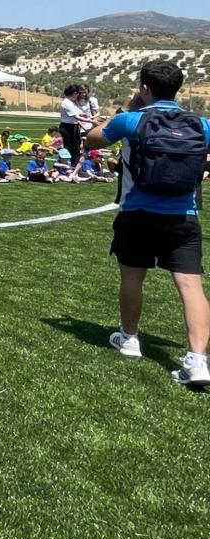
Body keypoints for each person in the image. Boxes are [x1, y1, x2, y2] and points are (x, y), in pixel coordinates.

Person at [86, 59, 210, 387]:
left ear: (144, 88)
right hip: (184, 215)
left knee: (133, 277)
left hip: (138, 213)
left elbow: (92, 139)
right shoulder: (201, 123)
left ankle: (129, 338)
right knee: (191, 287)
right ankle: (197, 360)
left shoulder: (130, 121)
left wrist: (127, 105)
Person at [58, 84, 91, 161]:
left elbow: (78, 113)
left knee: (76, 146)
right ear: (74, 93)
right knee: (68, 147)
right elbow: (76, 116)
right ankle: (67, 163)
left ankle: (75, 163)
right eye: (78, 93)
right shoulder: (67, 103)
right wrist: (90, 120)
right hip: (67, 127)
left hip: (74, 127)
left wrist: (84, 115)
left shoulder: (72, 102)